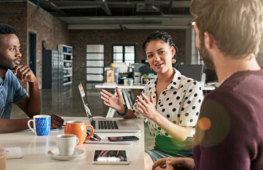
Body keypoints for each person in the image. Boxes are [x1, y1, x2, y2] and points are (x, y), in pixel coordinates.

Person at [153, 0, 263, 170]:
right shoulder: (256, 85)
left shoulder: (226, 102)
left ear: (207, 39)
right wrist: (197, 164)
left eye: (196, 31)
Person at [100, 31, 203, 170]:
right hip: (159, 150)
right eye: (150, 55)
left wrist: (154, 115)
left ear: (172, 52)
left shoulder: (191, 87)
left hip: (186, 155)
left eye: (161, 52)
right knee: (131, 164)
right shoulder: (150, 84)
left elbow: (183, 134)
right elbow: (137, 114)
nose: (156, 58)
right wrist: (122, 109)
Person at [0, 24, 64, 133]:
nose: (19, 54)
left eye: (18, 48)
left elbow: (33, 113)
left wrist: (34, 82)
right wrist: (34, 122)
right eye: (12, 49)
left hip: (0, 141)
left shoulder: (9, 76)